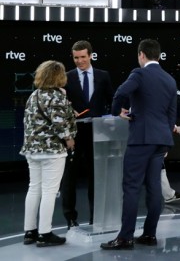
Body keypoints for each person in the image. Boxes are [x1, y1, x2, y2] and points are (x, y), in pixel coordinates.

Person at [101, 39, 178, 250]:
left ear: (141, 55)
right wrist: (165, 139)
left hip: (141, 139)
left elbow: (120, 93)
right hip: (161, 140)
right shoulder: (169, 79)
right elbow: (172, 115)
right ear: (159, 56)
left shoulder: (139, 73)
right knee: (154, 188)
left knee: (132, 187)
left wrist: (117, 111)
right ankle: (149, 234)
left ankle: (125, 237)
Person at [21, 60, 77, 247]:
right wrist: (69, 139)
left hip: (32, 150)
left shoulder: (33, 95)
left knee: (34, 188)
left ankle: (30, 231)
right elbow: (60, 123)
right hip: (52, 151)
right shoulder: (57, 97)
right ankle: (45, 233)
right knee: (49, 191)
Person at [61, 40, 114, 229]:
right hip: (73, 136)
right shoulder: (66, 77)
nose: (79, 61)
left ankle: (96, 216)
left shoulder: (103, 76)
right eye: (76, 58)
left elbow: (111, 101)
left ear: (90, 55)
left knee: (97, 177)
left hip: (97, 134)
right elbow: (61, 105)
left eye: (83, 57)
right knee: (70, 177)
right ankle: (70, 218)